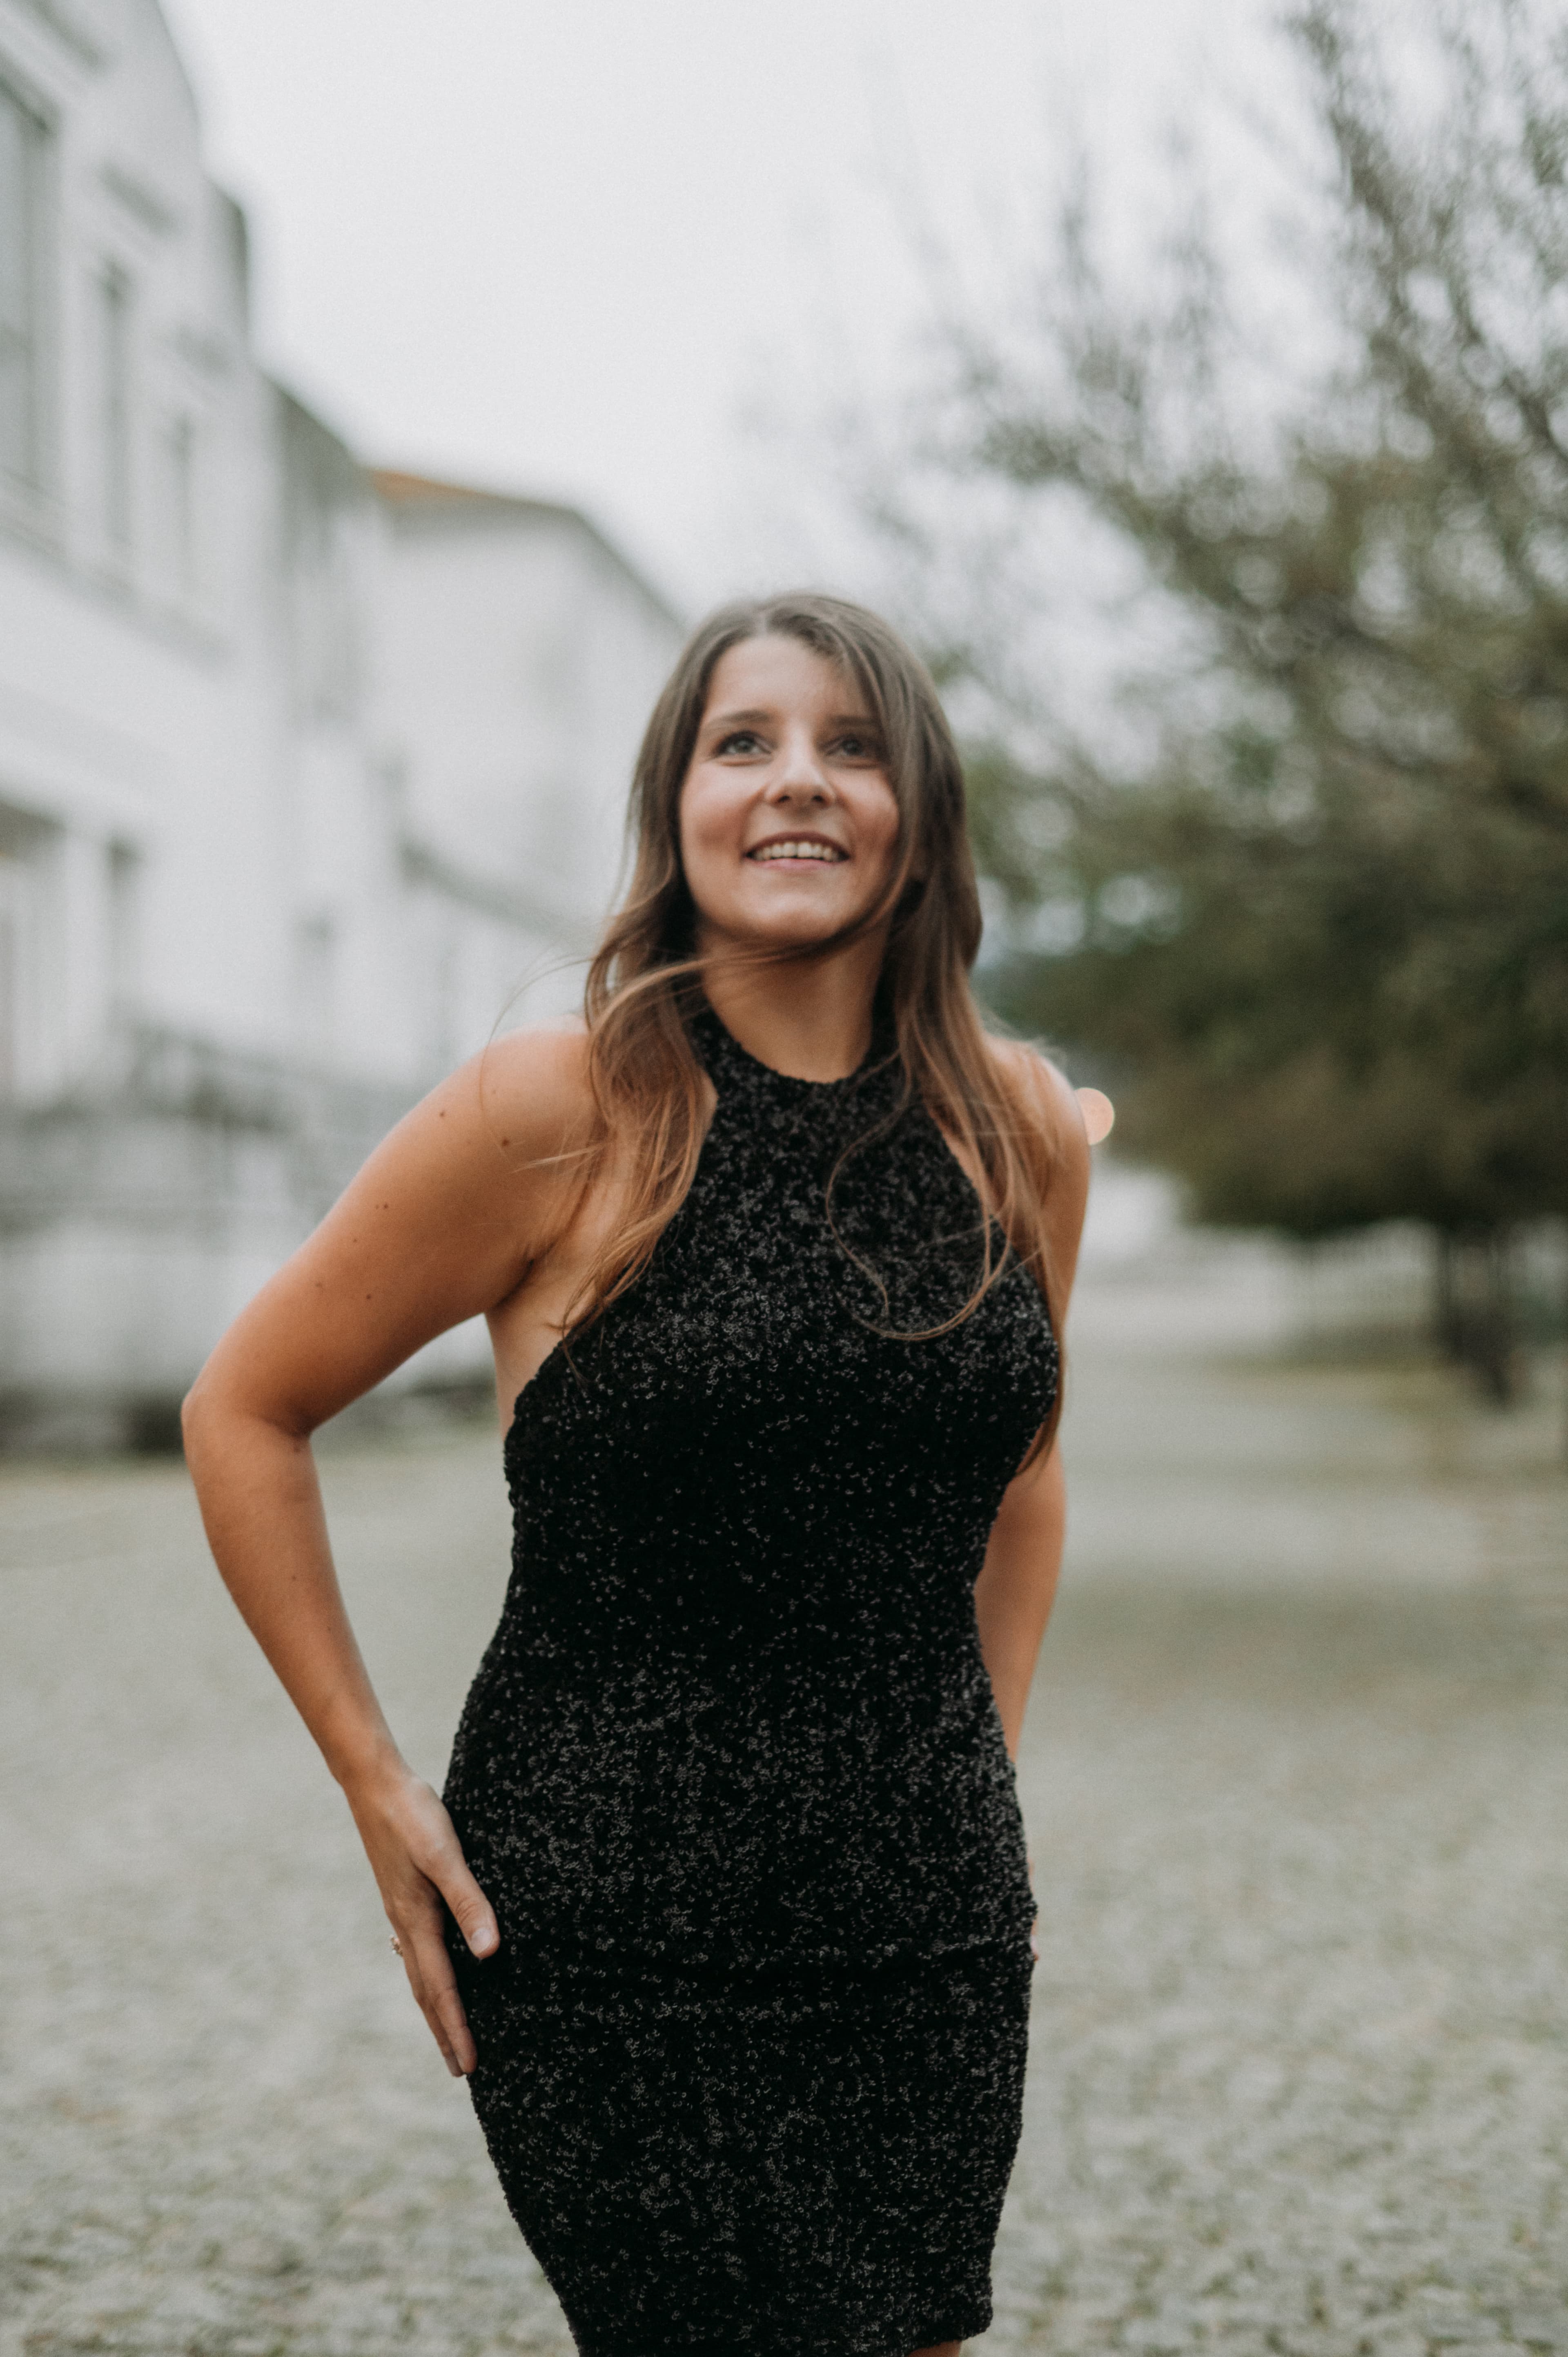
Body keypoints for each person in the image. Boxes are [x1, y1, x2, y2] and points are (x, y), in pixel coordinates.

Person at [183, 591, 1090, 2357]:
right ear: (676, 810)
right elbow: (247, 1410)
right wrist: (379, 1792)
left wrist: (975, 1786)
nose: (796, 784)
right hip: (608, 1917)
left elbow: (1028, 1480)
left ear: (922, 812)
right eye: (741, 744)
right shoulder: (560, 1107)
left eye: (852, 743)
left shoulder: (1020, 1129)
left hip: (922, 1919)